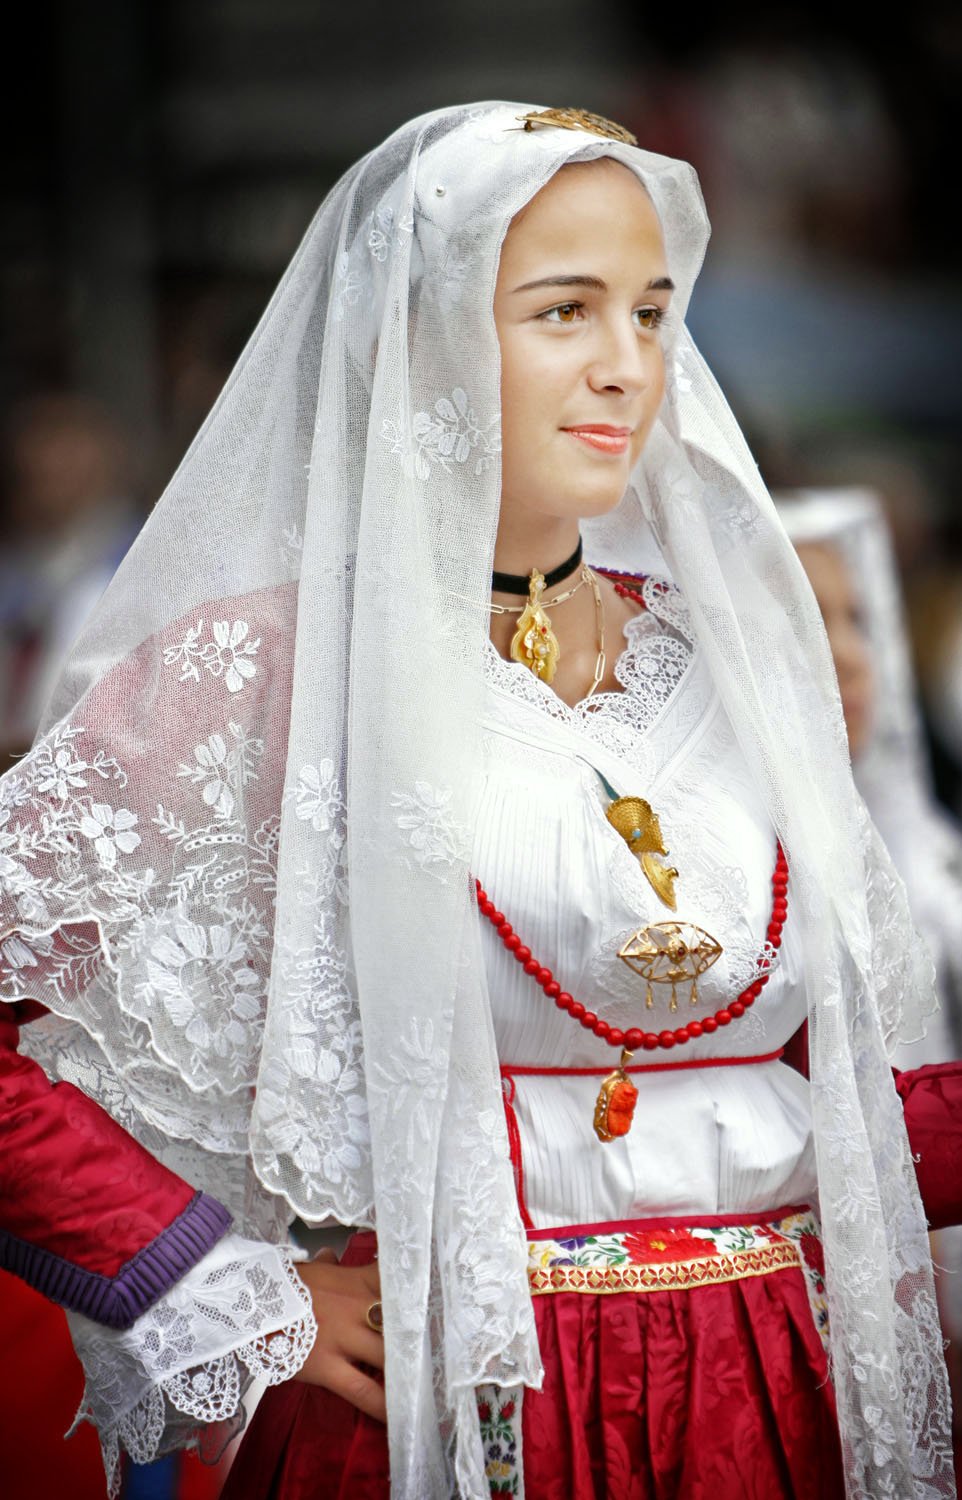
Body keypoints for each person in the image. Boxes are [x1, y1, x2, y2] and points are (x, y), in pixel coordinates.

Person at [0, 103, 959, 1500]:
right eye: (562, 310)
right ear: (418, 331)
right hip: (449, 1409)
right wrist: (210, 1278)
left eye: (649, 311)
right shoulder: (271, 673)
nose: (625, 366)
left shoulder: (734, 655)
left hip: (771, 1395)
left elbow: (829, 1116)